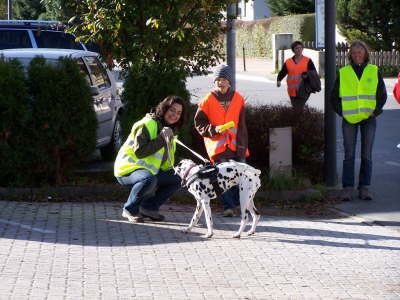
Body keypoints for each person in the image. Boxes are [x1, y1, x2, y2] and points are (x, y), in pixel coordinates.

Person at [330, 41, 387, 201]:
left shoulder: (373, 71)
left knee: (366, 154)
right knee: (349, 154)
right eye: (354, 52)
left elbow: (381, 94)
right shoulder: (344, 72)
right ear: (350, 54)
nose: (356, 55)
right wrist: (343, 113)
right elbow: (333, 97)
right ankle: (348, 188)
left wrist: (375, 112)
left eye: (359, 52)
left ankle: (364, 188)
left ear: (365, 53)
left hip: (369, 118)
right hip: (349, 119)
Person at [114, 95, 186, 222]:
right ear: (164, 109)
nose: (175, 115)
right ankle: (130, 209)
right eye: (172, 110)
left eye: (179, 113)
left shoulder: (171, 131)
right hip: (127, 169)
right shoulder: (146, 124)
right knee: (148, 179)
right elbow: (140, 153)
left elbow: (166, 162)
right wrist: (161, 139)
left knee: (179, 178)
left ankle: (149, 208)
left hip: (148, 171)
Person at [194, 64, 249, 217]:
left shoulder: (238, 98)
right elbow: (199, 123)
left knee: (240, 176)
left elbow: (242, 124)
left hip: (236, 145)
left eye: (224, 79)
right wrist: (213, 130)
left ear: (229, 81)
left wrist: (243, 145)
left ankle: (236, 204)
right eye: (218, 79)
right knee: (222, 177)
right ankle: (228, 207)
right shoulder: (207, 100)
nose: (221, 82)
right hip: (217, 146)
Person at [277, 41, 317, 112]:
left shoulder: (308, 61)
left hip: (304, 89)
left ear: (302, 49)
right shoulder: (288, 62)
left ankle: (299, 121)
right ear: (293, 50)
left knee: (298, 107)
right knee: (296, 108)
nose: (299, 50)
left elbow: (314, 73)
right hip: (292, 90)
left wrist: (307, 75)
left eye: (300, 48)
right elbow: (282, 72)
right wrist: (279, 80)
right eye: (296, 48)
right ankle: (300, 121)